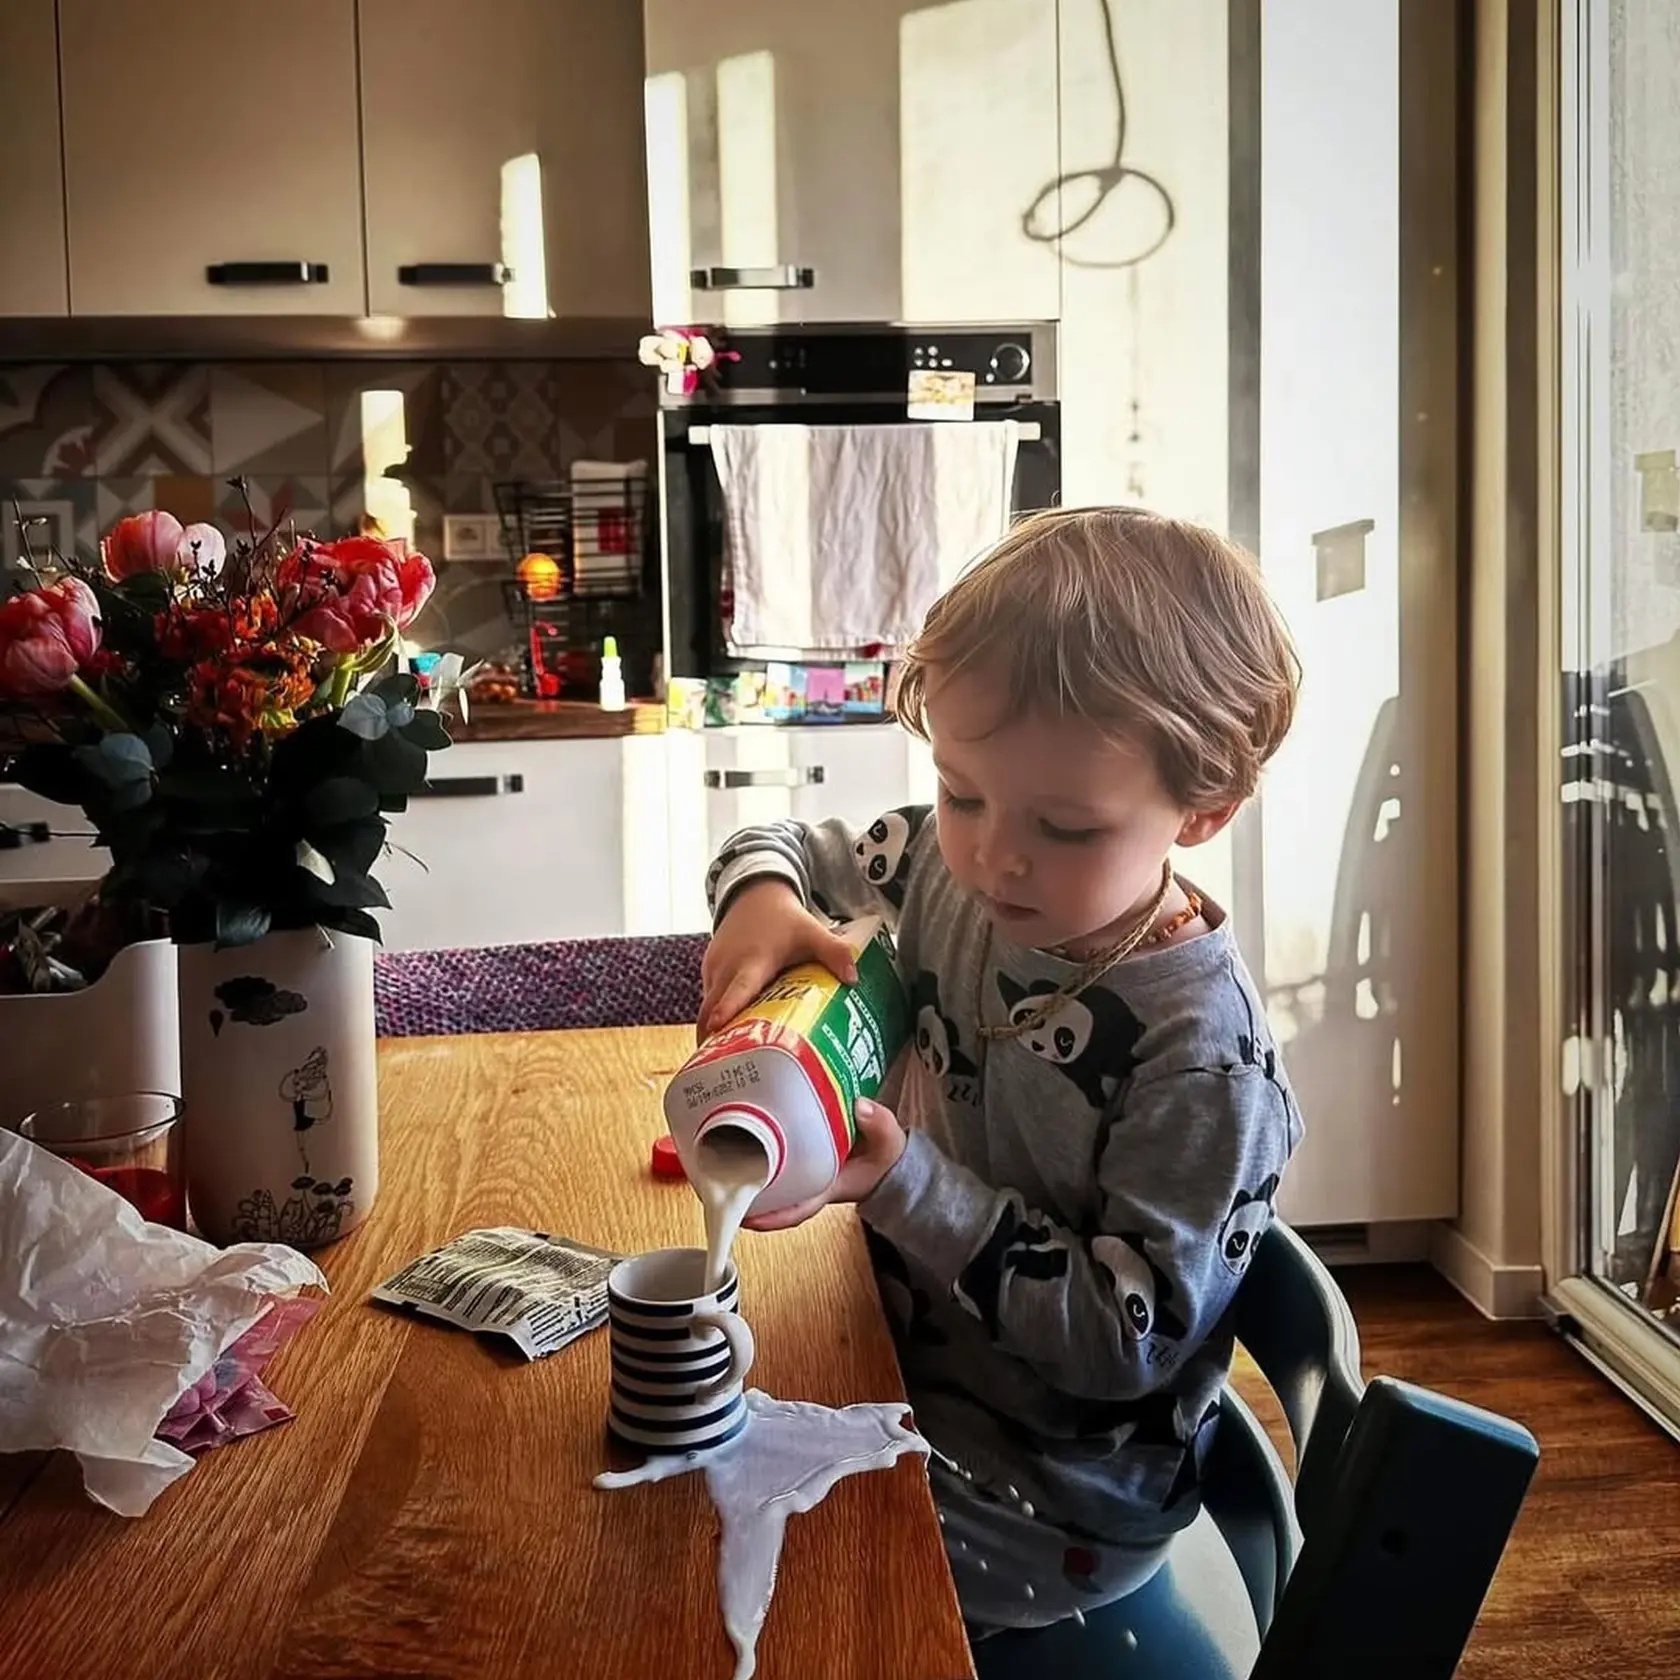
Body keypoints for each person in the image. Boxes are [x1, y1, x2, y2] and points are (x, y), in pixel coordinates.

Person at [698, 506, 1305, 1659]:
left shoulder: (1201, 1061)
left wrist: (906, 1186)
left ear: (1206, 810)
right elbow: (788, 844)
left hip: (1044, 1508)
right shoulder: (946, 866)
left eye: (1065, 827)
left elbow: (1124, 1343)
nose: (991, 855)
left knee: (690, 1567)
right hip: (908, 1376)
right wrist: (762, 900)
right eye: (962, 792)